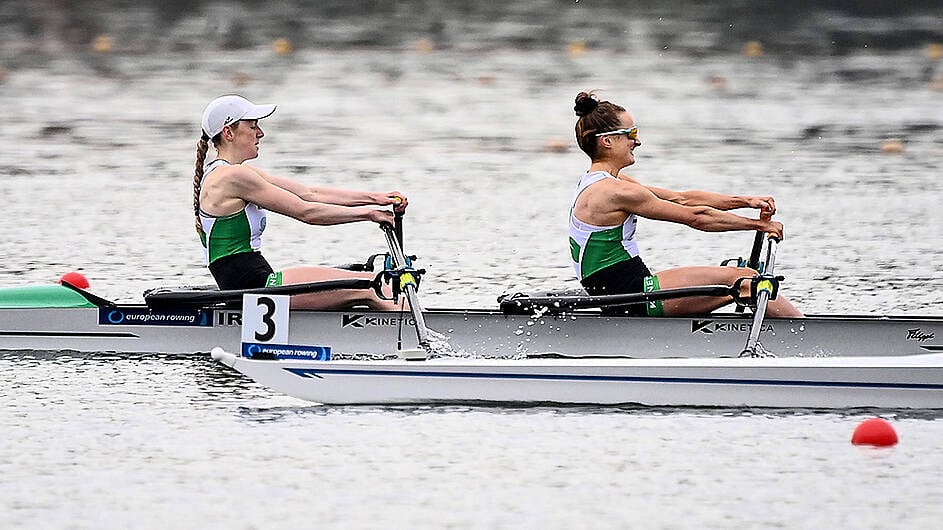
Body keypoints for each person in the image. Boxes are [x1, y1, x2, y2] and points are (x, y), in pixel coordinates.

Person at [569, 91, 803, 317]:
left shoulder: (606, 182)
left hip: (624, 290)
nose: (637, 141)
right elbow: (696, 217)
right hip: (631, 295)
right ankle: (804, 335)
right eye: (631, 133)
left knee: (743, 279)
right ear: (608, 141)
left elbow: (681, 198)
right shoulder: (614, 191)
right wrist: (759, 226)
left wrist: (745, 201)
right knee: (745, 281)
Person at [193, 94, 407, 310]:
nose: (261, 133)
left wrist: (376, 199)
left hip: (249, 282)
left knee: (365, 282)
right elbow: (307, 212)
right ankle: (427, 337)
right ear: (229, 132)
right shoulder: (232, 177)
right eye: (253, 126)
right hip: (254, 287)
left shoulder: (232, 172)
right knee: (372, 286)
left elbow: (309, 193)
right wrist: (369, 215)